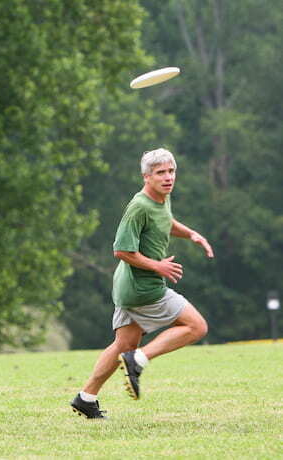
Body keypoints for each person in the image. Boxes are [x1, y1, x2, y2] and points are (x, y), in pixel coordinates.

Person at [70, 148, 212, 419]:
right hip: (143, 288)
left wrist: (191, 234)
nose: (168, 177)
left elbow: (165, 222)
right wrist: (158, 265)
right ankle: (139, 360)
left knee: (122, 345)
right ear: (147, 177)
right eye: (161, 173)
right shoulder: (139, 207)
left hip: (127, 287)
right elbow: (121, 250)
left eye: (171, 171)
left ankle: (86, 398)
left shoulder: (161, 199)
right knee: (196, 326)